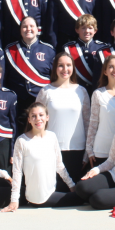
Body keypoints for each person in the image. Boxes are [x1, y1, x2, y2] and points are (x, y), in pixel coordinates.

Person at [1, 102, 84, 210]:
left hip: (52, 187)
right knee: (82, 197)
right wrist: (14, 200)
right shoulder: (22, 141)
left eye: (41, 115)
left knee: (82, 188)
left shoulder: (52, 136)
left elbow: (59, 165)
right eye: (33, 116)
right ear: (29, 120)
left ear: (47, 117)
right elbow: (17, 172)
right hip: (39, 197)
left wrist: (71, 185)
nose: (38, 119)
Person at [37, 53, 91, 185]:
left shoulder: (81, 91)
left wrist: (87, 152)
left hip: (77, 151)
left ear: (73, 68)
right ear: (55, 68)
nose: (65, 69)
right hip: (52, 150)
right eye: (60, 66)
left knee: (76, 193)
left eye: (68, 65)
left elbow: (88, 123)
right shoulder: (46, 91)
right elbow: (37, 123)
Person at [3, 17, 55, 111]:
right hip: (18, 101)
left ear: (37, 29)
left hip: (42, 100)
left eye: (31, 26)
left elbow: (54, 77)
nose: (28, 29)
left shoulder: (48, 50)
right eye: (24, 27)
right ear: (20, 30)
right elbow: (4, 77)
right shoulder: (10, 50)